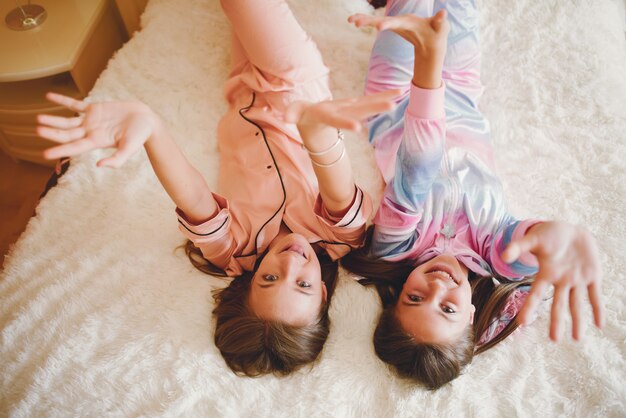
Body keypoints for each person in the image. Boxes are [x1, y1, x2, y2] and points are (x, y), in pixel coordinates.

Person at [37, 0, 399, 376]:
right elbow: (336, 183)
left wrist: (150, 127)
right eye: (304, 284)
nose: (291, 262)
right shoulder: (342, 238)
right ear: (323, 294)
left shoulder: (232, 251)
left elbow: (192, 196)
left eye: (270, 278)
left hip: (241, 88)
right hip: (295, 88)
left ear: (246, 284)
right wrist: (316, 130)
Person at [342, 0, 604, 389]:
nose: (434, 287)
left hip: (395, 94)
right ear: (470, 314)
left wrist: (428, 64)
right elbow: (529, 245)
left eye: (414, 299)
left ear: (396, 298)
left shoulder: (396, 246)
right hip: (462, 90)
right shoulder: (494, 253)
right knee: (457, 9)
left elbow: (416, 170)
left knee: (412, 11)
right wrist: (558, 236)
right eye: (447, 307)